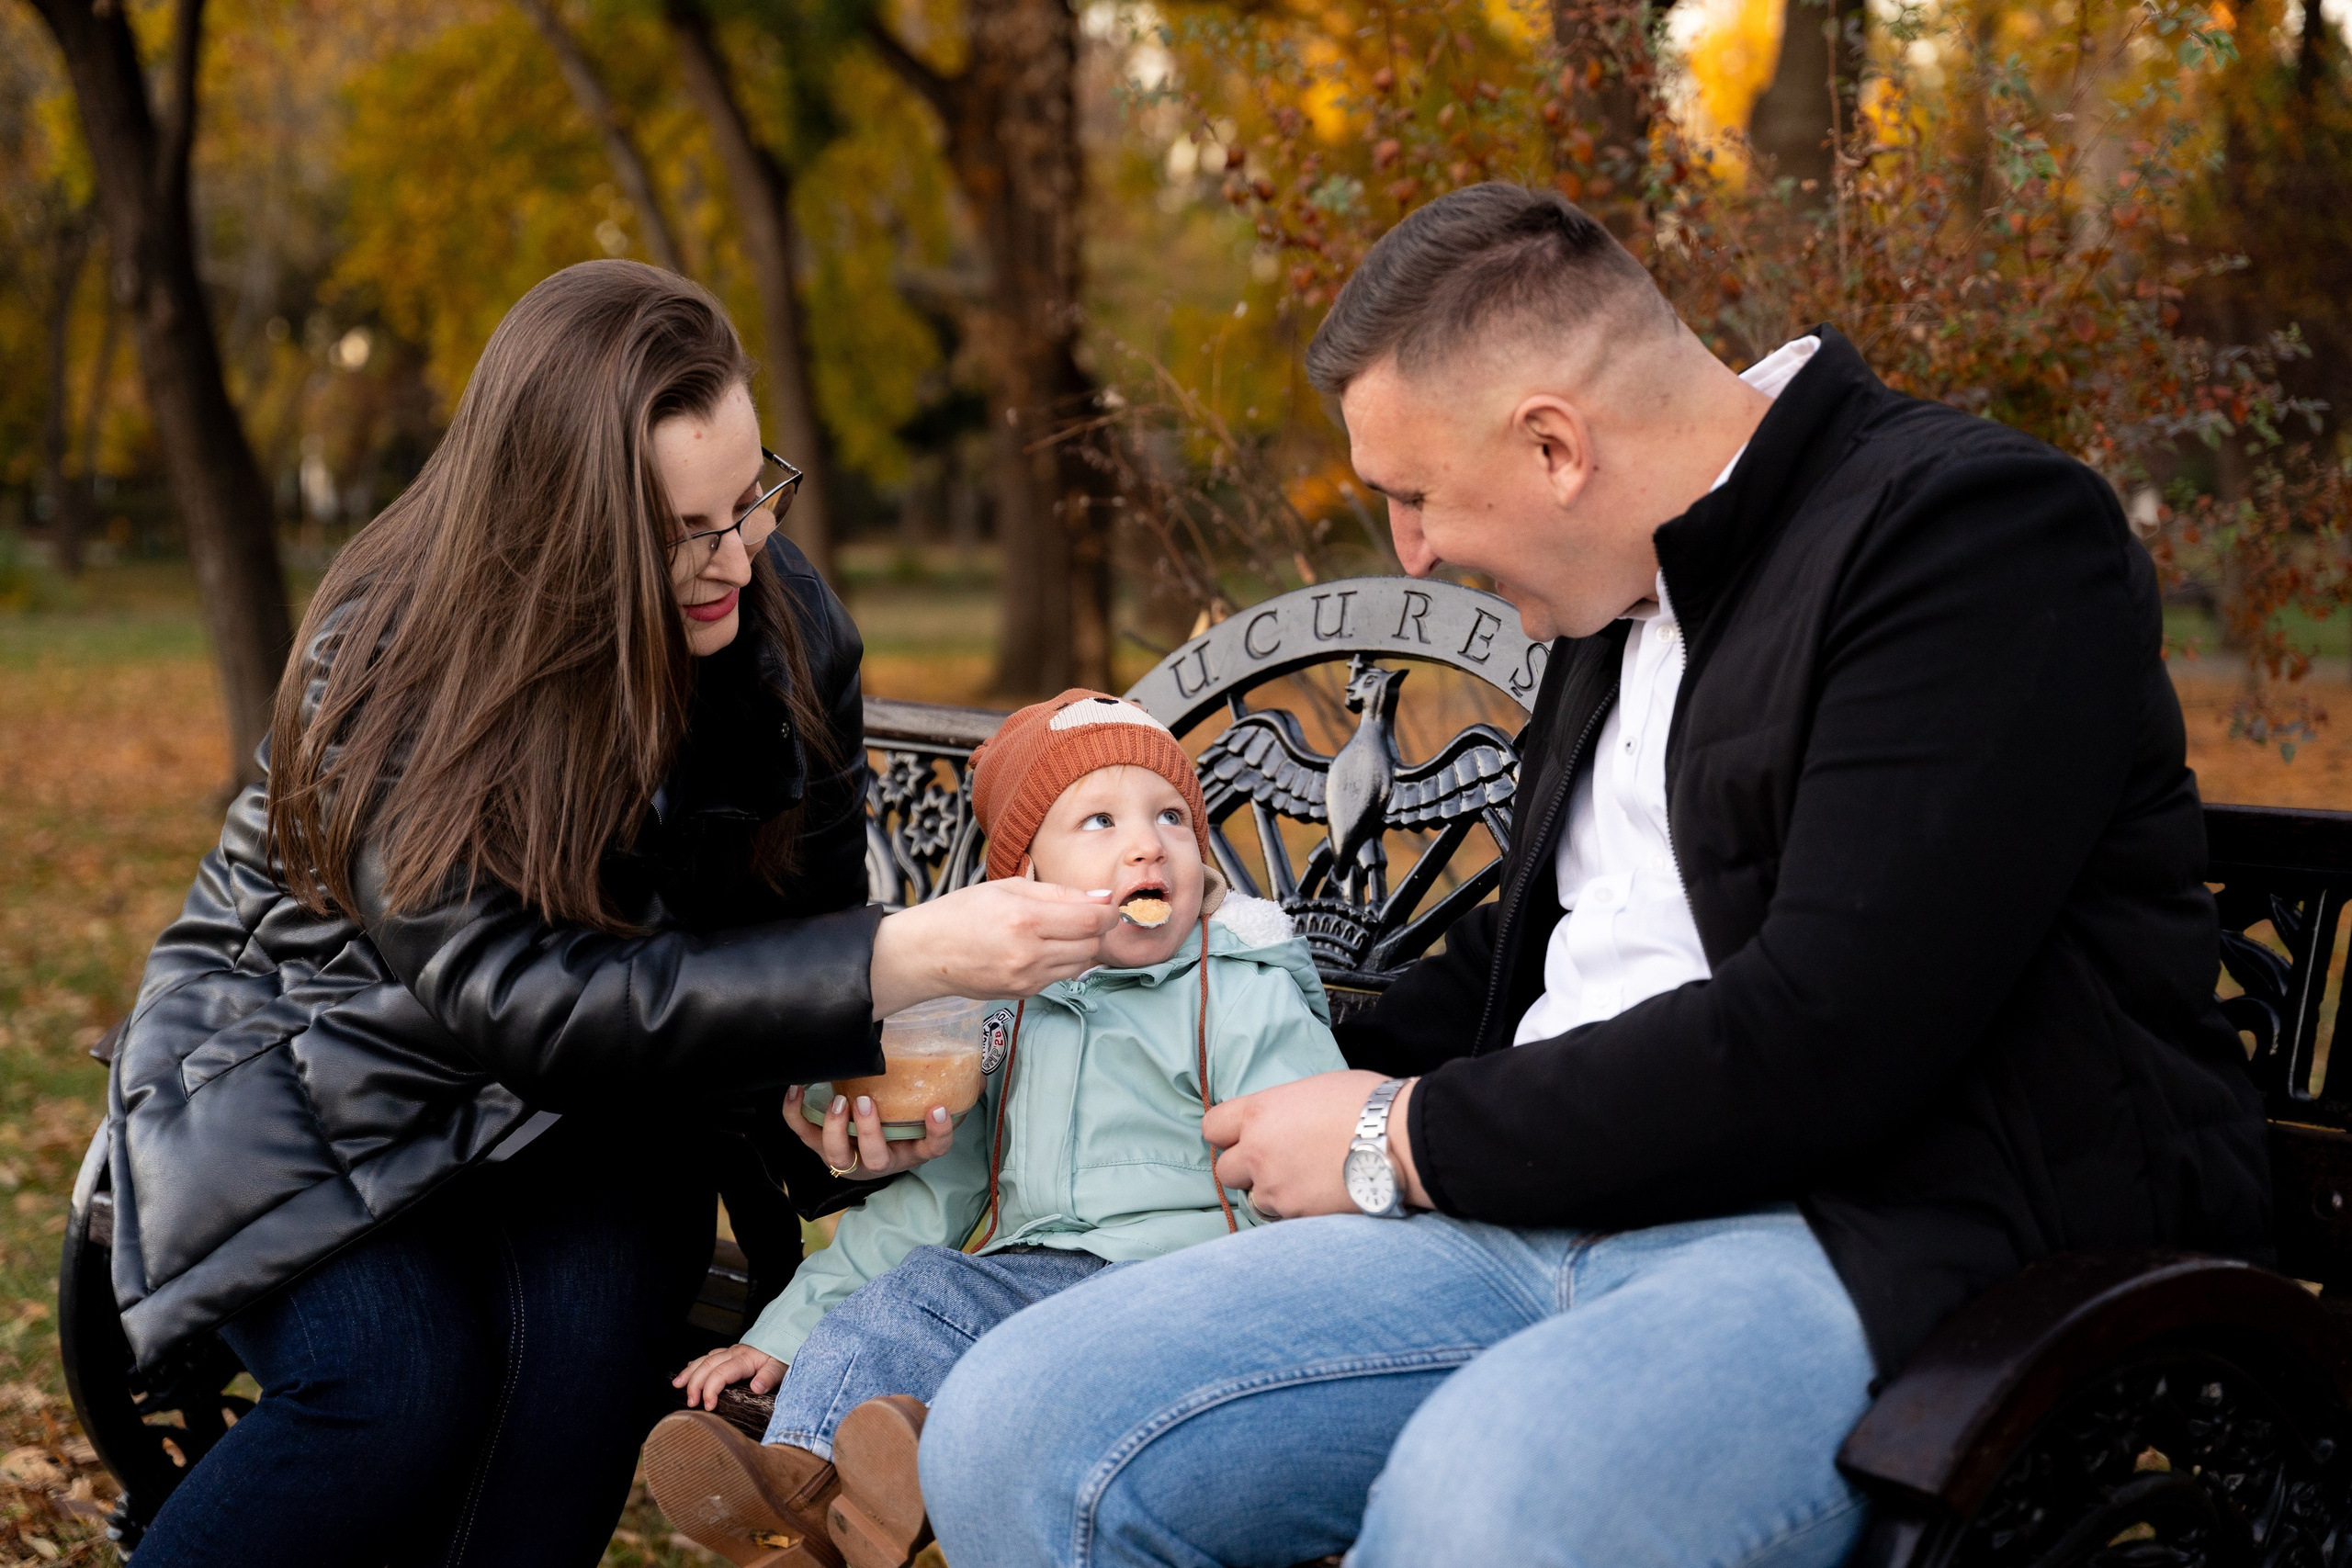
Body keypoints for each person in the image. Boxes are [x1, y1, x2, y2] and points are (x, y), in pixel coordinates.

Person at [913, 185, 2273, 1566]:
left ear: (1556, 444)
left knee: (1484, 1508)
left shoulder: (1966, 536)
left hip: (1872, 1242)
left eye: (1415, 495)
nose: (1415, 550)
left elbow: (1830, 1033)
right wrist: (1234, 1049)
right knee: (1016, 1426)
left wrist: (1400, 1137)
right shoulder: (1619, 588)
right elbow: (1542, 953)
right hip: (1527, 1208)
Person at [107, 260, 1122, 1568]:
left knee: (584, 1362)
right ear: (556, 523)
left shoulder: (787, 624)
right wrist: (895, 951)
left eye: (752, 496)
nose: (738, 555)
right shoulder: (393, 649)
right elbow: (518, 993)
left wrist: (827, 1107)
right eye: (684, 528)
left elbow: (789, 933)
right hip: (321, 1062)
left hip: (607, 1094)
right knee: (394, 1386)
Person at [642, 691, 1346, 1568]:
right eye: (1099, 819)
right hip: (1031, 1293)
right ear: (1029, 883)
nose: (1146, 842)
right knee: (913, 1293)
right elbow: (929, 1203)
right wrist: (781, 1334)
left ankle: (862, 1490)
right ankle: (804, 1488)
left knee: (970, 1343)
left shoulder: (1238, 987)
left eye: (1173, 817)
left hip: (1189, 1292)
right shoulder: (1004, 1020)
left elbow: (1319, 1149)